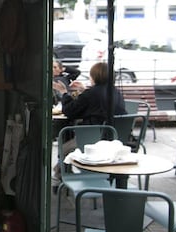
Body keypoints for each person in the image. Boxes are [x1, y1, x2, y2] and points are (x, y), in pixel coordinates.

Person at [51, 62, 127, 192]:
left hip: (93, 142)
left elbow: (70, 111)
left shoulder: (91, 94)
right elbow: (98, 105)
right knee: (69, 145)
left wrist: (64, 93)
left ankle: (61, 177)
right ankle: (61, 176)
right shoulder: (116, 93)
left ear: (95, 76)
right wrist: (84, 90)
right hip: (116, 140)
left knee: (63, 149)